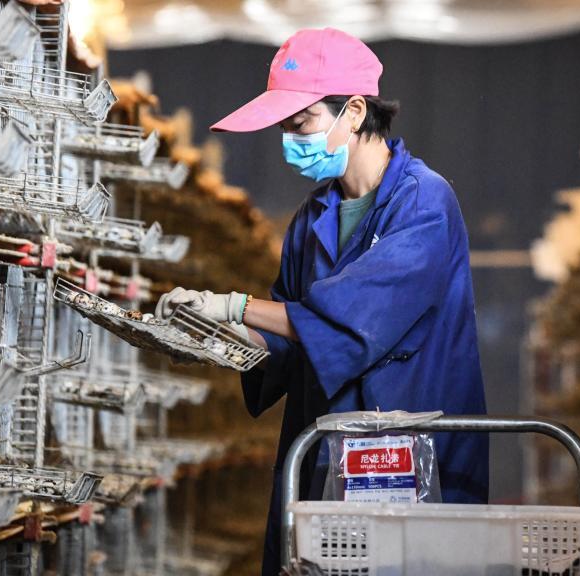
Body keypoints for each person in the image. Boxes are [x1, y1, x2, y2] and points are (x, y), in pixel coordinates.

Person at [155, 27, 488, 575]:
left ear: (353, 112)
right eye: (284, 127)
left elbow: (346, 320)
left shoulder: (424, 202)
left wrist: (231, 306)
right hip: (328, 454)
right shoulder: (313, 218)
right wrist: (214, 337)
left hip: (409, 458)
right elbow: (289, 338)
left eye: (301, 122)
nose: (290, 140)